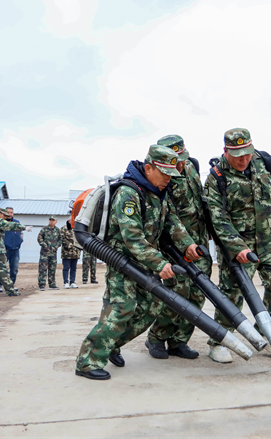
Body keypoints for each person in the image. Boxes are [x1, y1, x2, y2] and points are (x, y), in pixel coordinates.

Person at [75, 145, 199, 380]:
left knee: (151, 308)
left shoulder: (159, 192)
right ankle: (88, 362)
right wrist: (160, 263)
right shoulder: (128, 193)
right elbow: (132, 238)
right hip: (123, 262)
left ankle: (110, 344)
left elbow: (172, 222)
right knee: (121, 308)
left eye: (171, 174)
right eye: (164, 174)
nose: (168, 179)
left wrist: (188, 245)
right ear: (149, 168)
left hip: (144, 263)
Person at [203, 129, 271, 363]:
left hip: (268, 239)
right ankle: (219, 342)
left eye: (247, 154)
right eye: (238, 155)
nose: (244, 160)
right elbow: (218, 218)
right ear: (226, 151)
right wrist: (237, 247)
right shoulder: (217, 176)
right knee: (232, 293)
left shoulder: (264, 163)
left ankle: (265, 334)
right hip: (238, 243)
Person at [146, 135, 211, 360]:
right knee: (178, 293)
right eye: (176, 160)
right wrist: (185, 244)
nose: (181, 164)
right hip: (174, 245)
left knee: (198, 294)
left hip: (199, 243)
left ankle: (179, 341)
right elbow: (169, 216)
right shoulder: (162, 177)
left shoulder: (191, 167)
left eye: (182, 157)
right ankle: (156, 337)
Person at [0, 207, 23, 292]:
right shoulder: (2, 223)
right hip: (4, 250)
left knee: (14, 269)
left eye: (11, 212)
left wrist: (20, 242)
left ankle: (11, 285)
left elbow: (20, 234)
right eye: (8, 212)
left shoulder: (16, 222)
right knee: (1, 268)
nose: (10, 214)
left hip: (15, 250)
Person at [37, 216, 62, 290]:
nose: (51, 221)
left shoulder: (57, 230)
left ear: (56, 221)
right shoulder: (44, 229)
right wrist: (44, 245)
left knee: (52, 269)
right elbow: (39, 238)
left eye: (53, 220)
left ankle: (52, 284)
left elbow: (60, 240)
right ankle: (42, 285)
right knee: (43, 269)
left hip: (53, 253)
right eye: (50, 220)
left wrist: (56, 246)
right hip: (44, 253)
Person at [60, 220, 80, 289]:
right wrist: (70, 246)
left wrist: (79, 248)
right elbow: (62, 239)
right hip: (67, 252)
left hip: (75, 252)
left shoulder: (77, 229)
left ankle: (72, 282)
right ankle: (66, 282)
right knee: (66, 268)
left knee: (73, 268)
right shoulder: (64, 229)